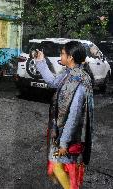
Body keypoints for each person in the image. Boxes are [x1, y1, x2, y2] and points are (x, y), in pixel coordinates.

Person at [35, 41, 94, 189]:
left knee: (67, 171)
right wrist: (41, 61)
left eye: (62, 53)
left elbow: (74, 116)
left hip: (70, 136)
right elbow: (53, 82)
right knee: (58, 167)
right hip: (60, 131)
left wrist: (64, 143)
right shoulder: (68, 73)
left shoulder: (79, 80)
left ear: (71, 57)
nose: (60, 56)